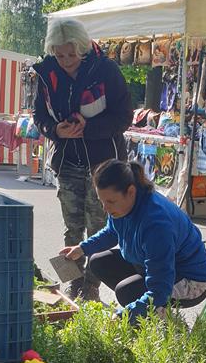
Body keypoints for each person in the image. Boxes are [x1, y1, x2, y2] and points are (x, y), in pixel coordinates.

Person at [33, 18, 133, 300]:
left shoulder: (106, 70)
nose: (65, 60)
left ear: (83, 47)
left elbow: (124, 116)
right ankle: (72, 284)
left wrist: (89, 129)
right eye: (59, 54)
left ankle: (90, 289)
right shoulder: (46, 73)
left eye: (71, 54)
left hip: (102, 164)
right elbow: (38, 115)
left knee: (98, 228)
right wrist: (55, 130)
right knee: (72, 228)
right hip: (67, 163)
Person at [61, 159, 206, 321]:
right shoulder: (122, 206)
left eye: (110, 201)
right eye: (102, 201)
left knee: (127, 292)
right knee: (98, 261)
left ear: (131, 192)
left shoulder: (156, 224)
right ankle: (151, 312)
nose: (105, 208)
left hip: (190, 278)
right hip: (156, 266)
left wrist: (125, 315)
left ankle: (166, 324)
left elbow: (160, 288)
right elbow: (112, 232)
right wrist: (82, 248)